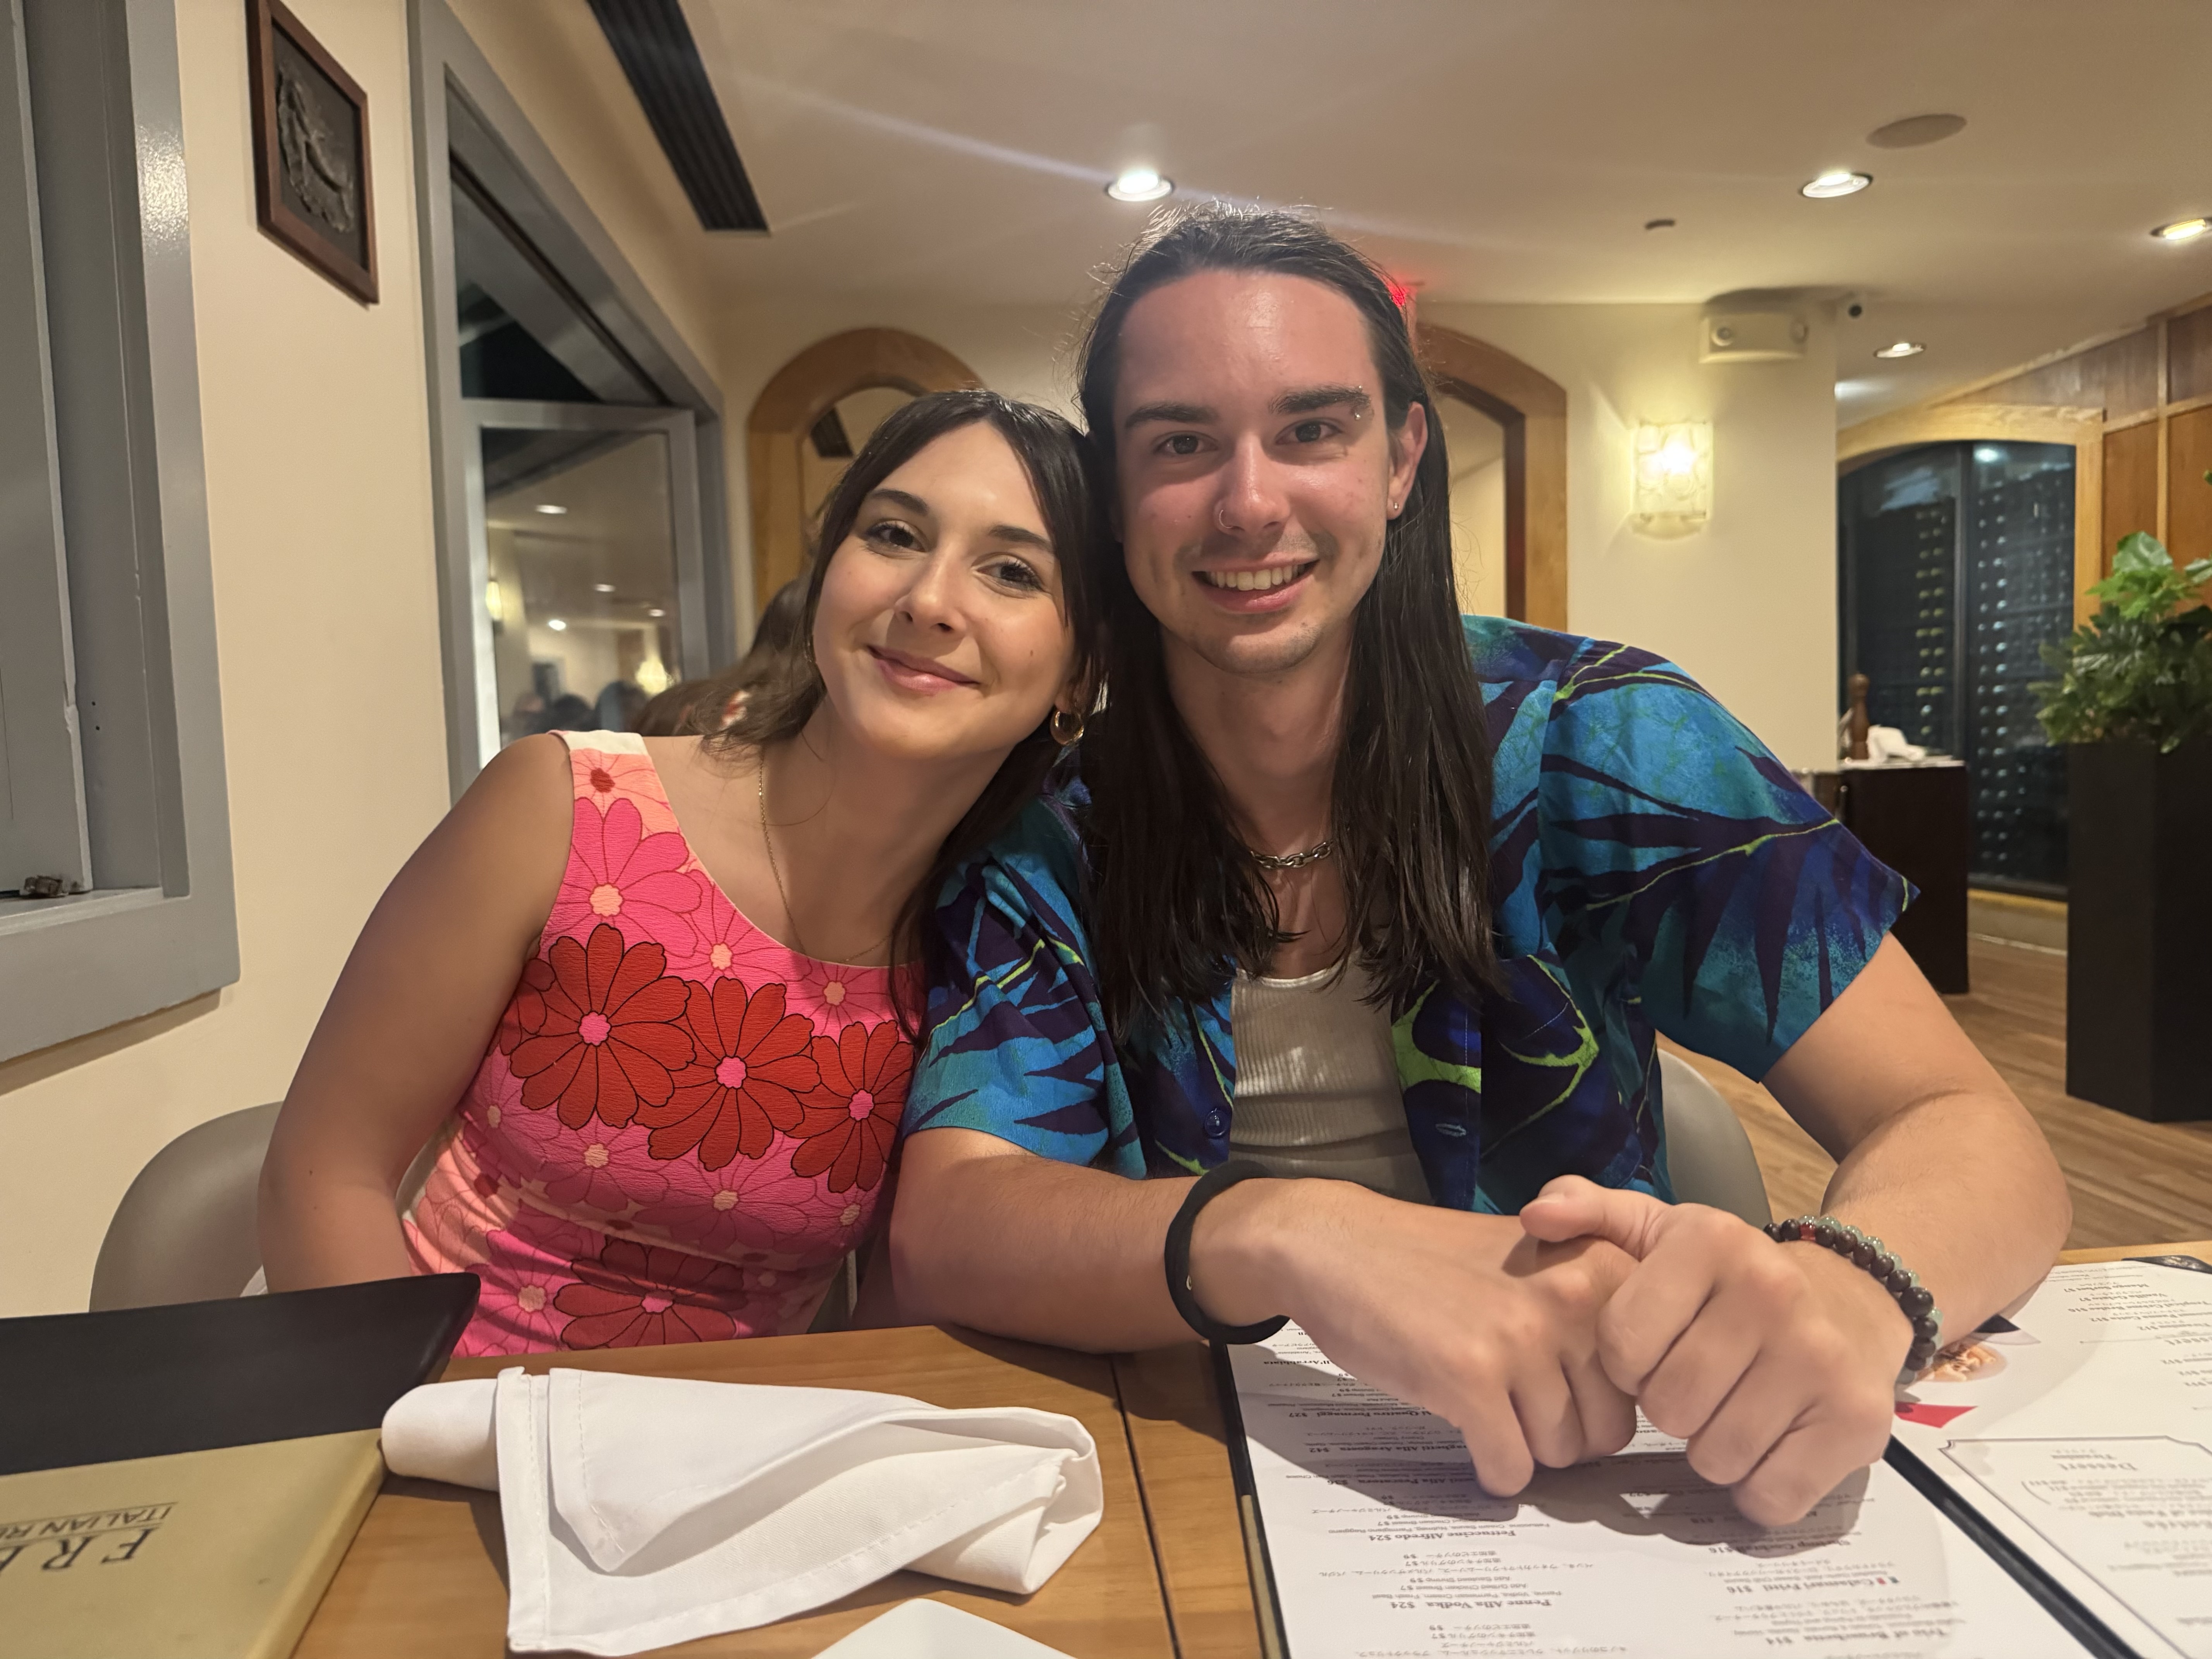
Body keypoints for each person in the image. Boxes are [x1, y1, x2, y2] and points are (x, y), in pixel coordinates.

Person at [888, 206, 2069, 1526]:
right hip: (1200, 1487)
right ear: (1113, 497)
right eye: (1180, 443)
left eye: (1311, 430)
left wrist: (1856, 1289)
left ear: (1400, 458)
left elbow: (1966, 1126)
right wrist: (1292, 1228)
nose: (1250, 500)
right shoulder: (1051, 825)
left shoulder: (1605, 737)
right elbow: (952, 1225)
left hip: (1596, 1489)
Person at [259, 390, 1102, 1353]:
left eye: (1009, 571)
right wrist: (420, 1443)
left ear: (1079, 676)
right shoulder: (561, 806)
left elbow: (901, 1307)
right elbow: (323, 1172)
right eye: (896, 534)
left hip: (733, 1477)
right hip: (429, 1430)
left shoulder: (997, 952)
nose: (929, 601)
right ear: (829, 572)